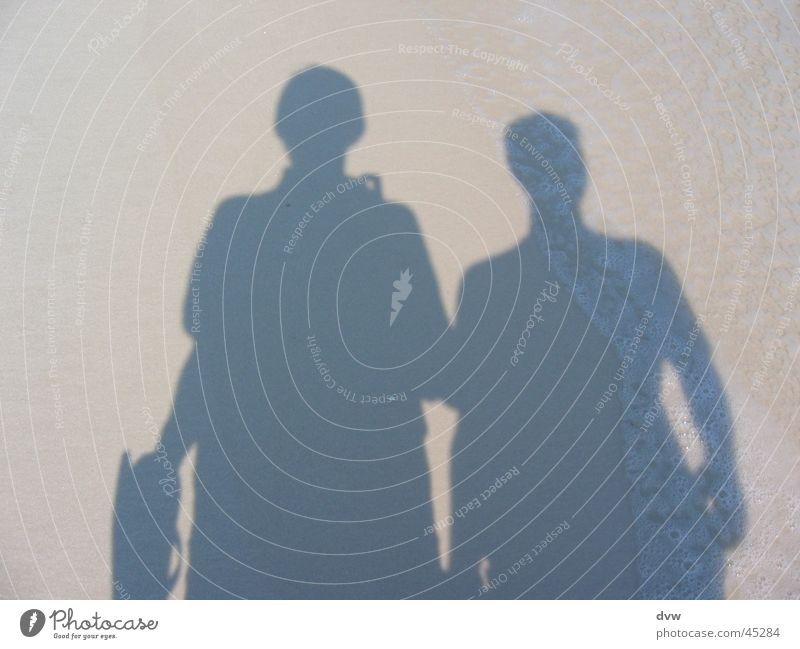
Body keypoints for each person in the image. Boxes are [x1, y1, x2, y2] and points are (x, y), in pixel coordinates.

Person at [113, 66, 451, 598]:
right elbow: (432, 358)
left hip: (250, 486)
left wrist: (171, 452)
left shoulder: (236, 221)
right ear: (356, 130)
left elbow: (201, 337)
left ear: (284, 130)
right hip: (369, 488)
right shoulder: (388, 224)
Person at [445, 113, 743, 598]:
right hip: (558, 517)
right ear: (522, 175)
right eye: (548, 164)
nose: (560, 176)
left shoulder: (636, 269)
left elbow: (699, 375)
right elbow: (480, 427)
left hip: (645, 506)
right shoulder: (494, 286)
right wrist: (462, 556)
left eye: (564, 160)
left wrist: (726, 485)